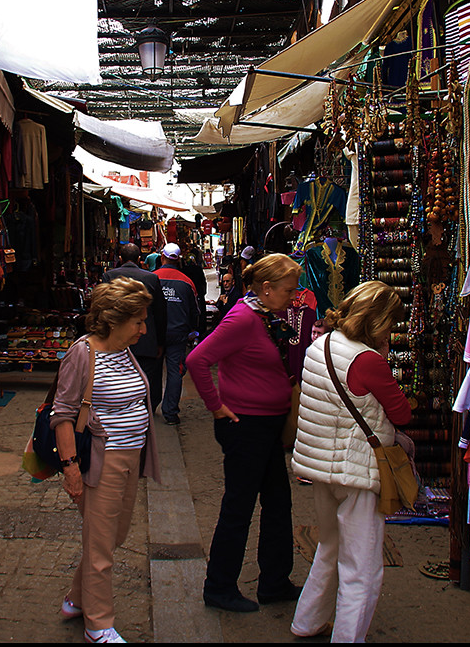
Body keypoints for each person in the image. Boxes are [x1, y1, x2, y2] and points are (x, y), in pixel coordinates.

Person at [289, 281, 413, 642]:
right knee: (362, 567)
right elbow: (401, 413)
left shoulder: (320, 344)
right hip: (356, 470)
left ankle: (307, 621)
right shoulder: (368, 360)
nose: (391, 331)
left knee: (330, 545)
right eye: (390, 324)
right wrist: (384, 356)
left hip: (320, 466)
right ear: (377, 321)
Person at [185, 253, 304, 613]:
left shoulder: (263, 315)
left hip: (266, 424)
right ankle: (219, 587)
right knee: (239, 507)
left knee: (278, 504)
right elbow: (197, 360)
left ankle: (274, 581)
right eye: (288, 290)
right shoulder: (242, 318)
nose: (293, 296)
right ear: (266, 289)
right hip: (246, 426)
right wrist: (215, 405)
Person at [52, 277, 162, 644]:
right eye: (138, 322)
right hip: (102, 461)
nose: (143, 330)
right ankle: (98, 624)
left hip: (130, 456)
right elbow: (63, 413)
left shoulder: (122, 350)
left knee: (113, 535)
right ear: (115, 319)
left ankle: (76, 598)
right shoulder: (82, 354)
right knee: (101, 546)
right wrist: (71, 469)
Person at [102, 242, 168, 412]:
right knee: (145, 379)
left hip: (116, 340)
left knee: (117, 377)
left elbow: (102, 310)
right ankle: (144, 412)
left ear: (120, 258)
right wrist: (160, 342)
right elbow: (160, 313)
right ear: (139, 259)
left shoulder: (109, 277)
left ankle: (121, 410)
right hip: (145, 340)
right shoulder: (151, 278)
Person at [153, 242, 199, 425]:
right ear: (178, 260)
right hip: (178, 334)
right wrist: (193, 332)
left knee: (153, 371)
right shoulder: (187, 282)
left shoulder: (152, 278)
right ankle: (170, 412)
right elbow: (195, 311)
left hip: (156, 335)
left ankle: (150, 405)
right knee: (175, 372)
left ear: (162, 257)